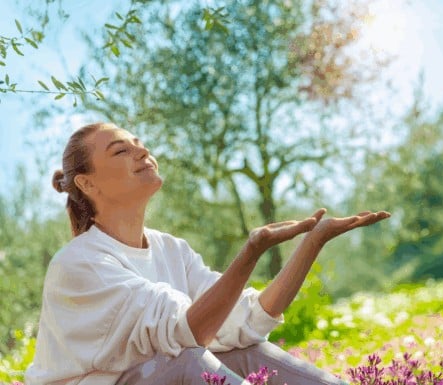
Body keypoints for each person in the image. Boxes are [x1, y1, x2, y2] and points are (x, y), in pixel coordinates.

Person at [25, 122, 390, 385]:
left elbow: (241, 323)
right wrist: (250, 252)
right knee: (188, 360)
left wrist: (312, 243)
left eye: (139, 144)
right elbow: (189, 334)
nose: (142, 151)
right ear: (87, 183)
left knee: (248, 352)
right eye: (121, 150)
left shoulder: (171, 249)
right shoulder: (80, 263)